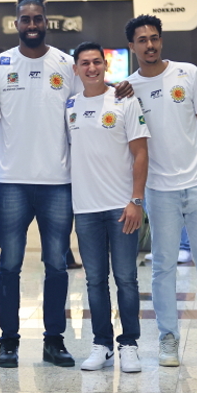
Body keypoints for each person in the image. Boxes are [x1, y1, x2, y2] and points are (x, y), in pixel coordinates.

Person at [124, 14, 197, 367]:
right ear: (132, 46)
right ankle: (167, 337)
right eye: (142, 40)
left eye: (154, 38)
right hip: (160, 191)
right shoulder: (127, 89)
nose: (150, 45)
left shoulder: (188, 73)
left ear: (161, 40)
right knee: (162, 269)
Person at [0, 0, 79, 368]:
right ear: (17, 23)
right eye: (26, 19)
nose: (33, 24)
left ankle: (54, 341)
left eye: (38, 18)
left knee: (56, 264)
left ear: (45, 20)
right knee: (9, 264)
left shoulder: (66, 65)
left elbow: (80, 111)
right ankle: (9, 341)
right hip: (13, 181)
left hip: (57, 181)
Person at [66, 42, 149, 373]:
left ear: (105, 65)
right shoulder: (69, 105)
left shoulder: (124, 99)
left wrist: (136, 200)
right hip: (85, 209)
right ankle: (102, 343)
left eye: (97, 62)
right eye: (84, 63)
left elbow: (141, 152)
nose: (91, 68)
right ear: (76, 69)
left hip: (121, 208)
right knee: (94, 280)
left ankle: (129, 344)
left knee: (126, 278)